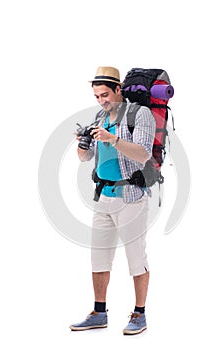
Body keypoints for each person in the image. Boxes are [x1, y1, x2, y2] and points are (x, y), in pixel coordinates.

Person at [70, 66, 155, 335]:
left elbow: (142, 154)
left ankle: (139, 314)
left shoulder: (140, 115)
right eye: (97, 96)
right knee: (99, 260)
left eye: (105, 94)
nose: (102, 101)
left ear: (118, 89)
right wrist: (83, 145)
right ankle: (99, 312)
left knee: (135, 259)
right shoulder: (100, 116)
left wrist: (113, 138)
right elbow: (85, 159)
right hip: (103, 197)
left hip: (130, 197)